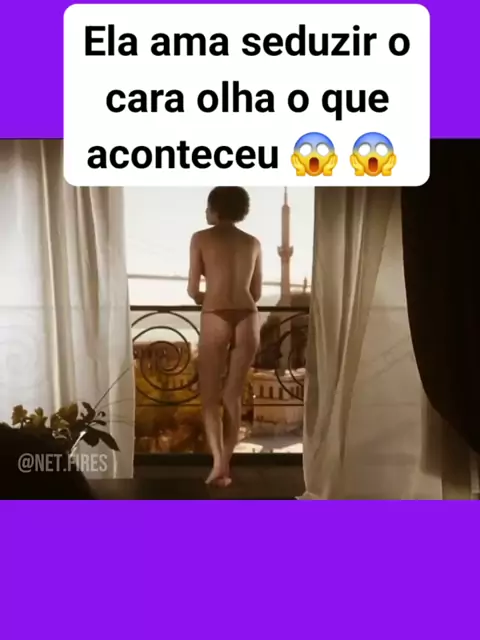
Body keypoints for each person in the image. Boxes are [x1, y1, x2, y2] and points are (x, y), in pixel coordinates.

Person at [187, 187, 262, 486]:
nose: (205, 213)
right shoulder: (253, 243)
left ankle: (217, 462)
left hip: (215, 313)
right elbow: (256, 292)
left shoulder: (200, 238)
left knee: (209, 396)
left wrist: (205, 297)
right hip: (248, 314)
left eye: (207, 208)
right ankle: (225, 465)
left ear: (215, 210)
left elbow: (193, 289)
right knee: (232, 394)